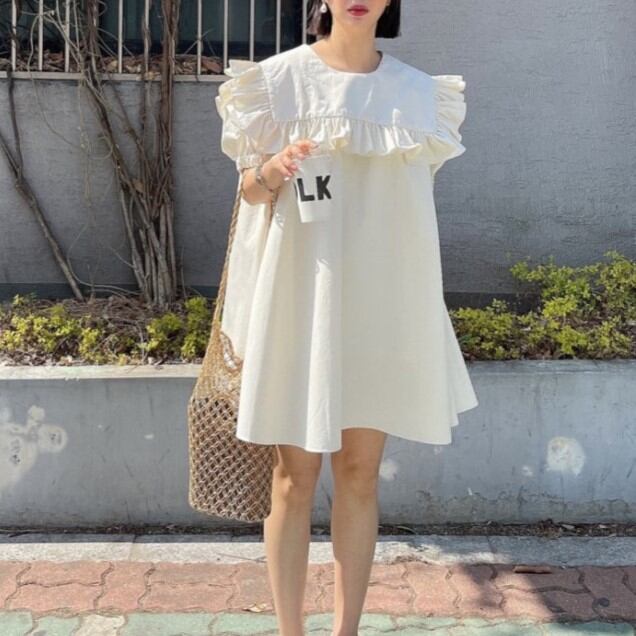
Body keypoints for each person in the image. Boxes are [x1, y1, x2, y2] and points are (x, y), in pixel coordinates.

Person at [214, 1, 479, 634]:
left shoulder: (422, 97)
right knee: (292, 478)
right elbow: (249, 192)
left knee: (360, 474)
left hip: (380, 303)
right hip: (298, 298)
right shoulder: (275, 83)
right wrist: (273, 169)